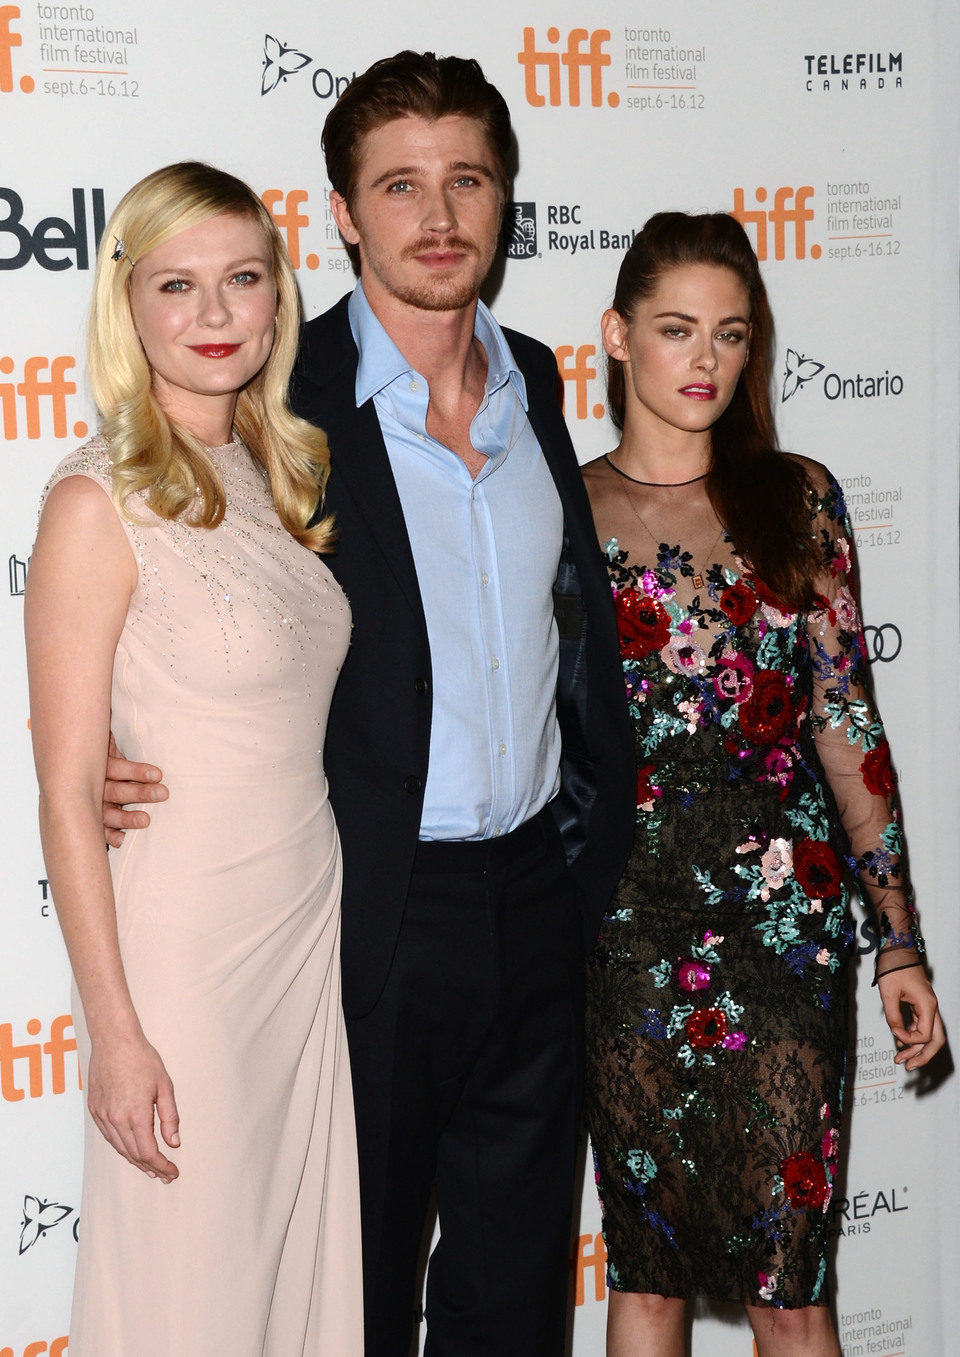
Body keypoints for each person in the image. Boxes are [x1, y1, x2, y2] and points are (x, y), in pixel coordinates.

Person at [102, 53, 635, 1357]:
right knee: (352, 1290)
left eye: (467, 179)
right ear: (343, 214)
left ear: (505, 198)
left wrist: (589, 862)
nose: (437, 213)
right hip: (365, 915)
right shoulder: (280, 399)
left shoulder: (539, 382)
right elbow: (162, 562)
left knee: (514, 1303)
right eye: (400, 185)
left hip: (537, 903)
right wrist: (123, 734)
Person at [581, 211, 945, 1357]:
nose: (704, 361)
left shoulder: (800, 499)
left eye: (730, 335)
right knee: (645, 1273)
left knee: (792, 1281)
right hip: (626, 929)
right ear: (617, 336)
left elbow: (850, 732)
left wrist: (898, 940)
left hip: (787, 933)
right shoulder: (560, 508)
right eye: (677, 329)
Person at [25, 162, 362, 1355]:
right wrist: (114, 1035)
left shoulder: (282, 478)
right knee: (193, 1293)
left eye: (242, 281)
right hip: (187, 962)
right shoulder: (92, 500)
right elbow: (67, 786)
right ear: (130, 307)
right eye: (179, 284)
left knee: (286, 1293)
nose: (216, 315)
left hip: (302, 931)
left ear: (278, 300)